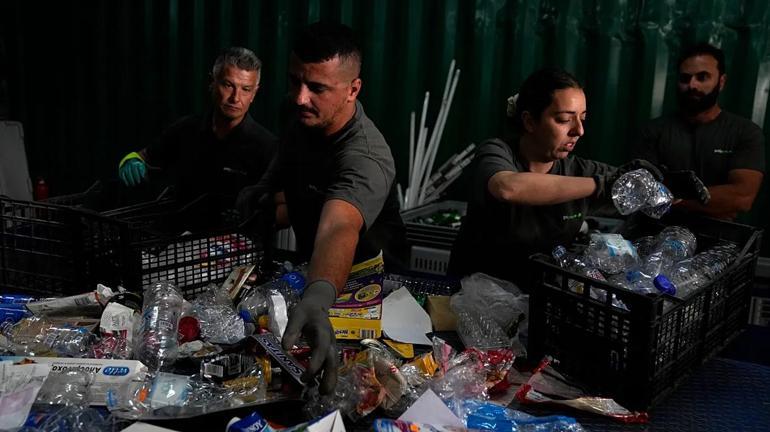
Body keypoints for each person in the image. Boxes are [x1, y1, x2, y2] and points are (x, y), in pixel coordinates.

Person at [238, 22, 407, 393]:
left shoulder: (366, 156)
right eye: (294, 81)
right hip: (313, 283)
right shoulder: (302, 113)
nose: (300, 97)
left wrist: (317, 298)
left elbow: (338, 226)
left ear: (353, 90)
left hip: (373, 302)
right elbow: (287, 153)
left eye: (317, 88)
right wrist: (264, 187)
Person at [448, 68, 666, 285]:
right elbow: (508, 188)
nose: (579, 130)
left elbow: (643, 193)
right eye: (564, 119)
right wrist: (600, 185)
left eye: (582, 118)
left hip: (536, 295)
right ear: (529, 121)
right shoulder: (496, 152)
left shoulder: (580, 171)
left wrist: (661, 185)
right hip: (475, 293)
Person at [117, 47, 277, 212]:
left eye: (246, 89)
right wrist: (131, 160)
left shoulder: (267, 147)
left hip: (236, 229)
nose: (235, 98)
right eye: (228, 85)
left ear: (254, 93)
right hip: (178, 226)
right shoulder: (185, 129)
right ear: (212, 82)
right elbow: (145, 156)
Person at [635, 42, 765, 220]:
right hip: (658, 230)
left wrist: (671, 200)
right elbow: (643, 193)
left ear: (721, 82)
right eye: (685, 78)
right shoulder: (653, 131)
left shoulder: (745, 132)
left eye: (702, 77)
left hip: (719, 234)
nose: (692, 85)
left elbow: (741, 198)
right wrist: (715, 203)